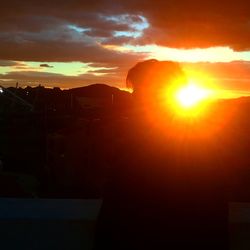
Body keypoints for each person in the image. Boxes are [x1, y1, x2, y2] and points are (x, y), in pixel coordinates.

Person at [93, 59, 246, 250]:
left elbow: (119, 211)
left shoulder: (139, 145)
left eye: (138, 91)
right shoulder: (205, 140)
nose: (134, 97)